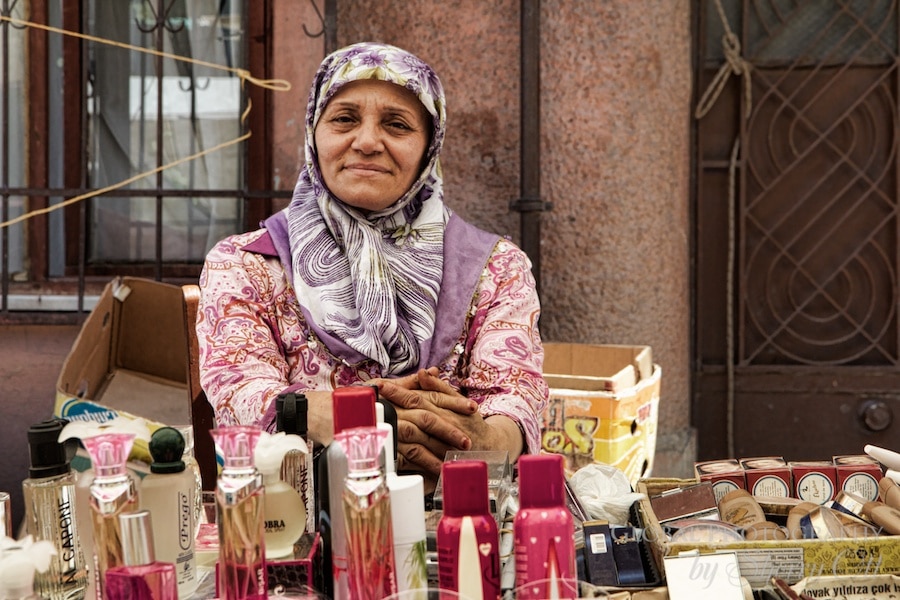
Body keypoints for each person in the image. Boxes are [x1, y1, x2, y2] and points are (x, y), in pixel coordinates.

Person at [196, 42, 548, 489]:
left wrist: (484, 438)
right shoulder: (245, 265)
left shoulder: (496, 267)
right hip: (298, 526)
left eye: (397, 125)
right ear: (314, 133)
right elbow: (243, 398)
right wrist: (373, 418)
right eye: (344, 119)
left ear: (428, 149)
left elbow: (515, 399)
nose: (365, 142)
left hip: (458, 517)